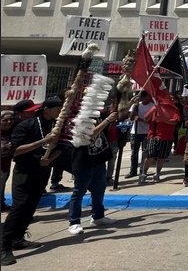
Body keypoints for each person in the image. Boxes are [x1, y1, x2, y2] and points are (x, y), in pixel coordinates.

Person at [1, 97, 62, 266]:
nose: (59, 112)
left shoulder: (56, 125)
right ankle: (4, 246)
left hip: (42, 171)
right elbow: (16, 151)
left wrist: (49, 159)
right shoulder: (26, 126)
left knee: (31, 206)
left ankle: (18, 239)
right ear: (47, 109)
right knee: (19, 207)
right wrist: (43, 141)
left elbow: (62, 147)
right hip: (24, 172)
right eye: (56, 109)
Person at [67, 105, 119, 235]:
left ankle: (98, 216)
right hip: (83, 161)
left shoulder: (96, 115)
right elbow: (88, 135)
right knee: (79, 191)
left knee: (99, 189)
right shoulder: (78, 119)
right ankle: (74, 222)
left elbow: (118, 114)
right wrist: (107, 120)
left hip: (98, 158)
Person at [126, 91, 153, 178]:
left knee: (145, 152)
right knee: (134, 152)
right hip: (135, 132)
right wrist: (135, 105)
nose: (149, 98)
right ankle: (133, 171)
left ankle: (143, 170)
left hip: (146, 132)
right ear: (143, 97)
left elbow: (151, 120)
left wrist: (141, 119)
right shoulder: (137, 105)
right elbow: (131, 117)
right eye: (147, 96)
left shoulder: (152, 106)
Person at [1, 110, 16, 212]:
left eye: (11, 119)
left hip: (6, 164)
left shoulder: (12, 131)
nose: (9, 122)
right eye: (5, 120)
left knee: (2, 185)